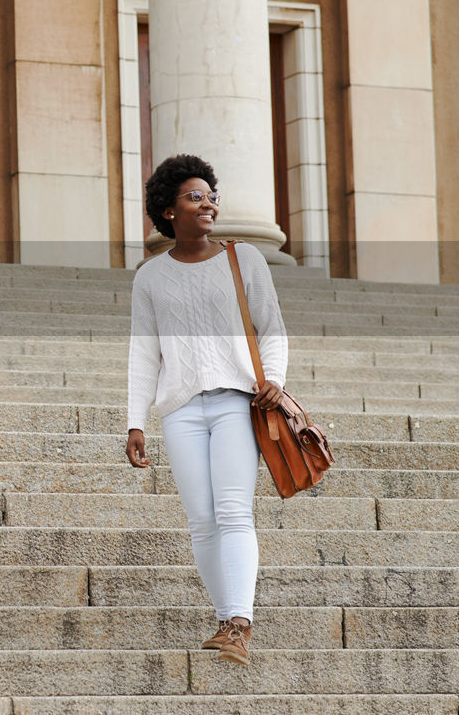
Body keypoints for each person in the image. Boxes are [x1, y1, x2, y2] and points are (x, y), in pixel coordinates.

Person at [124, 153, 288, 666]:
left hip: (238, 404)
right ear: (168, 210)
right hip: (180, 410)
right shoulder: (150, 278)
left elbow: (272, 329)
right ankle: (225, 619)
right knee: (201, 520)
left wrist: (276, 381)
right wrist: (135, 420)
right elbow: (143, 352)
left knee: (234, 510)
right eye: (195, 196)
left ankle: (240, 624)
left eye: (211, 196)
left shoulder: (244, 259)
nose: (208, 204)